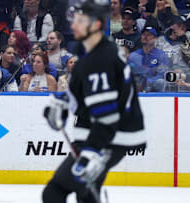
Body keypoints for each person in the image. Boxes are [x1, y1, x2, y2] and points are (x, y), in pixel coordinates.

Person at [42, 0, 146, 202]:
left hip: (110, 138)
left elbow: (107, 115)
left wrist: (92, 151)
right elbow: (85, 91)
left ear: (97, 24)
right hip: (102, 134)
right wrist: (63, 102)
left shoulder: (101, 58)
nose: (73, 25)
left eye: (80, 21)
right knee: (85, 194)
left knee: (55, 192)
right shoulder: (91, 51)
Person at [128, 26, 170, 92]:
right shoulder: (133, 55)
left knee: (160, 82)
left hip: (153, 86)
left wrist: (149, 82)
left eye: (149, 35)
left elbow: (162, 74)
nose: (145, 36)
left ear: (155, 39)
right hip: (137, 85)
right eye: (144, 34)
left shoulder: (161, 55)